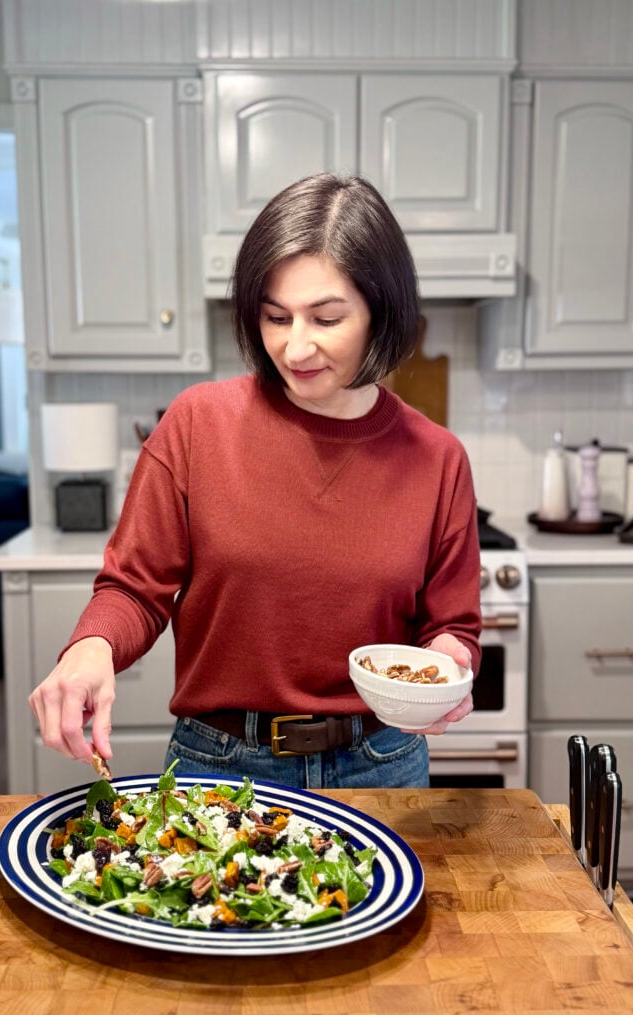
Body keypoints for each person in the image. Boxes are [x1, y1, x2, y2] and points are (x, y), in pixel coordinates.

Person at [29, 172, 482, 790]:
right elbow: (135, 588)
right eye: (275, 317)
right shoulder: (197, 424)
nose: (295, 347)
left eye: (326, 319)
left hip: (382, 764)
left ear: (382, 311)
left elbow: (452, 626)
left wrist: (452, 663)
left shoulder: (438, 457)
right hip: (220, 763)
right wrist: (90, 649)